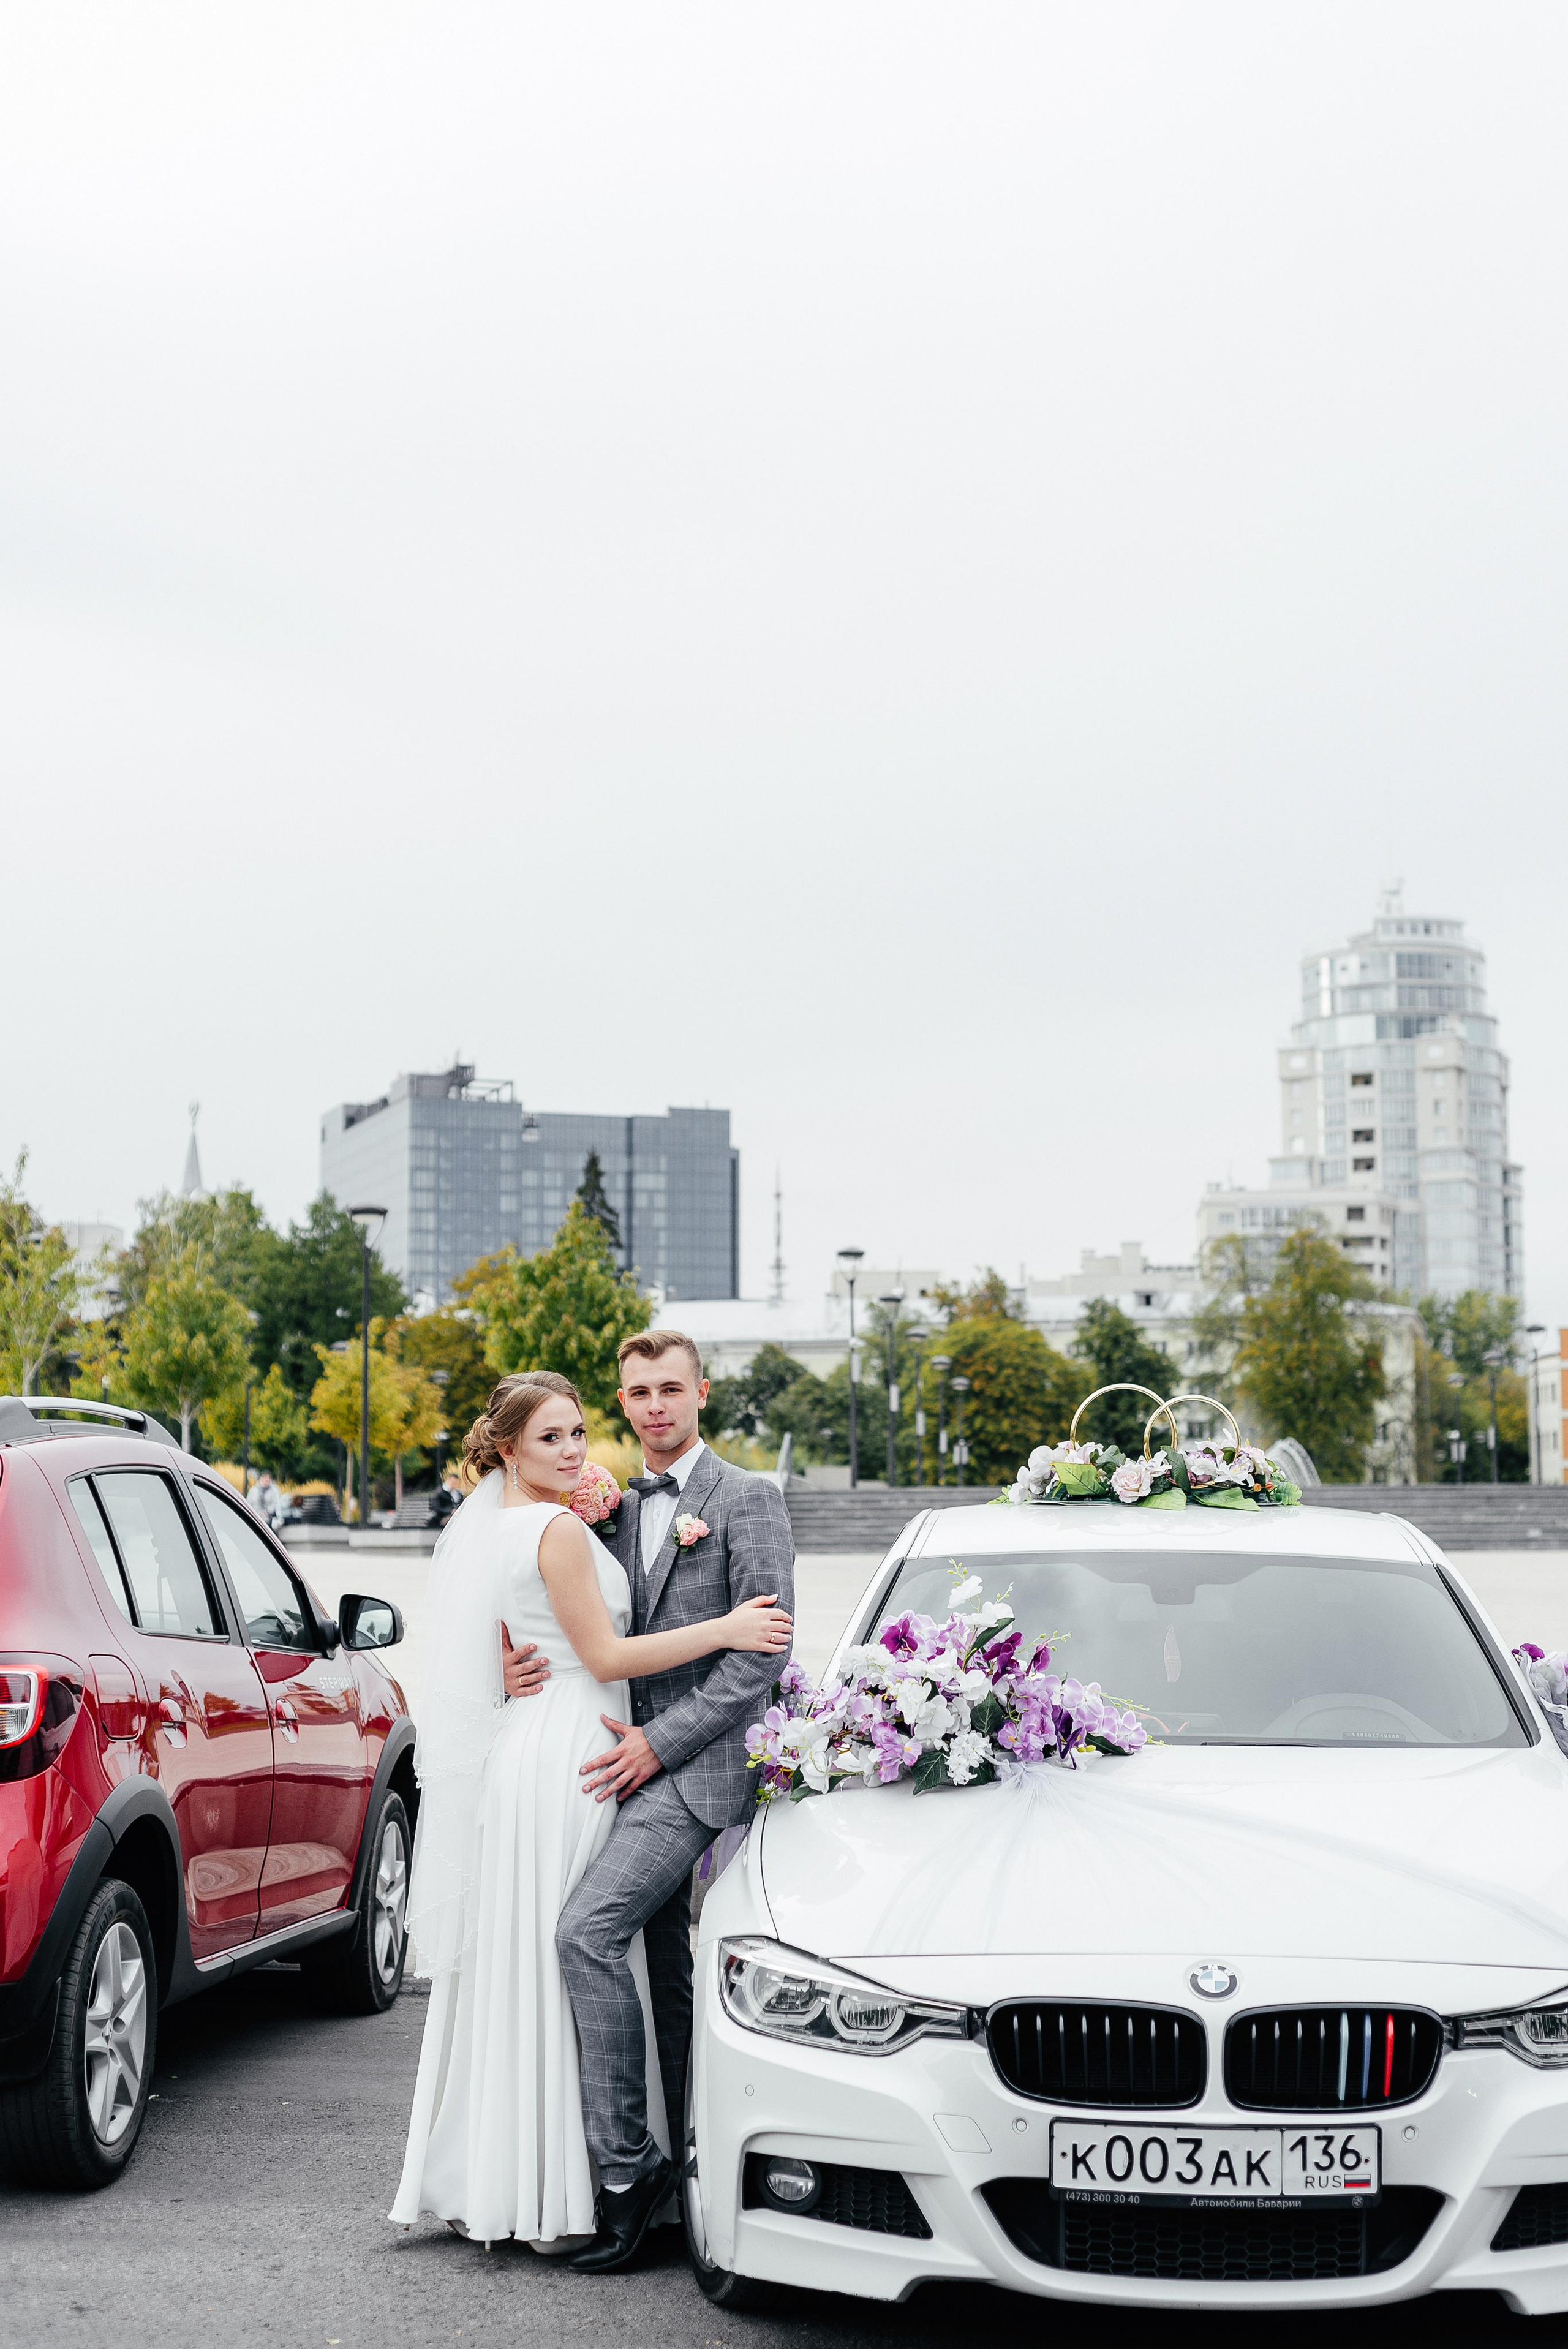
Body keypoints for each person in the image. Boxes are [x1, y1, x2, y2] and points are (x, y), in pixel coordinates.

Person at [389, 1371, 791, 2251]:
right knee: (581, 1941)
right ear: (507, 1449)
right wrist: (726, 1627)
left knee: (569, 1955)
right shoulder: (558, 1525)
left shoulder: (509, 1519)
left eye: (578, 1434)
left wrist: (506, 1663)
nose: (574, 1452)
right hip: (579, 1752)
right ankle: (622, 2169)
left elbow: (510, 1631)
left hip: (553, 1747)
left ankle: (567, 2167)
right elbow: (604, 1646)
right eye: (551, 1440)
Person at [549, 1330, 796, 2275]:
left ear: (701, 1393)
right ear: (623, 1402)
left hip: (694, 1773)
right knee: (666, 1971)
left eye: (669, 1390)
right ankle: (694, 2167)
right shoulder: (602, 1506)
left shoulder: (748, 1500)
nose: (654, 1407)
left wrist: (661, 1744)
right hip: (611, 1765)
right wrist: (510, 1651)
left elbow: (759, 1657)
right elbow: (568, 1606)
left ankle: (627, 2173)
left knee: (585, 1933)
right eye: (637, 1393)